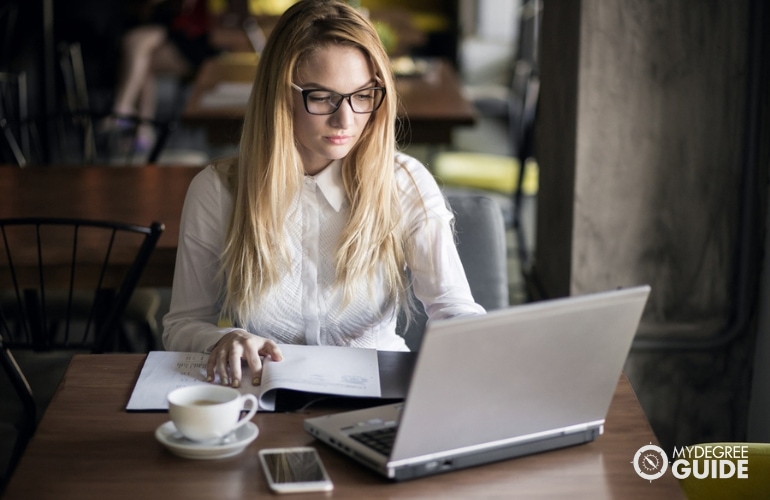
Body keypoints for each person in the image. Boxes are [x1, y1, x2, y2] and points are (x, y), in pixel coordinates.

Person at [162, 0, 485, 388]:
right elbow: (182, 324)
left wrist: (484, 343)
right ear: (280, 96)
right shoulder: (217, 191)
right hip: (264, 399)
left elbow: (453, 309)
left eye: (363, 95)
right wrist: (222, 337)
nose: (345, 120)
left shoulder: (403, 183)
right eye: (321, 97)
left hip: (379, 397)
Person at [109, 0, 218, 149]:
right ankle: (141, 129)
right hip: (169, 28)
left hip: (191, 36)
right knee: (142, 59)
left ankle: (123, 109)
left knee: (135, 42)